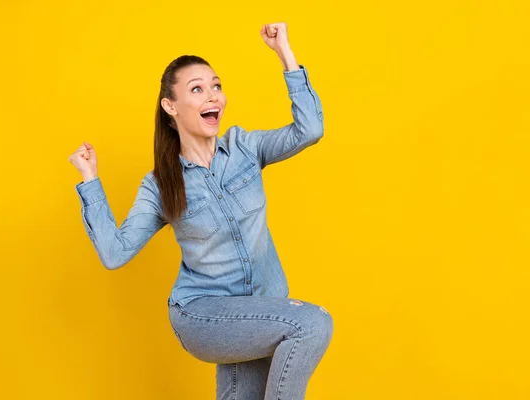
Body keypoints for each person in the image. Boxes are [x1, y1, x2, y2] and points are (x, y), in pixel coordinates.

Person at [68, 22, 333, 400]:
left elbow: (310, 130)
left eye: (216, 86)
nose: (213, 97)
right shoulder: (161, 184)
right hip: (204, 316)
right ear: (170, 106)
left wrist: (285, 54)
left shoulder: (245, 147)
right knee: (311, 324)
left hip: (259, 306)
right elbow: (114, 252)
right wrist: (90, 179)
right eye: (197, 89)